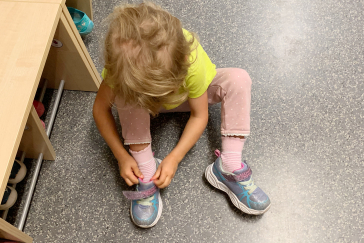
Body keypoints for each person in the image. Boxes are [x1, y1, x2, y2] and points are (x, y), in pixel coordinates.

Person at [93, 2, 270, 228]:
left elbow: (199, 116)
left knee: (238, 79)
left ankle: (229, 165)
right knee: (127, 96)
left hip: (189, 97)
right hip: (143, 103)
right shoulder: (121, 65)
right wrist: (121, 156)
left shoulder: (190, 59)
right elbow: (100, 109)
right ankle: (145, 168)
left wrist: (174, 158)